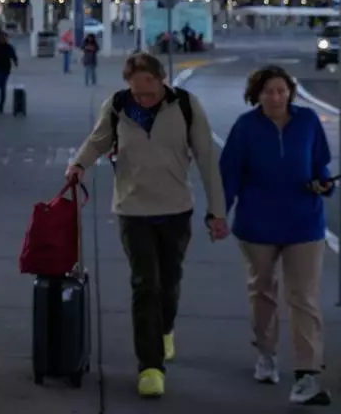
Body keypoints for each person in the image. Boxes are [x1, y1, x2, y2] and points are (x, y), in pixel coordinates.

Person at [65, 51, 228, 399]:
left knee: (169, 282)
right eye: (137, 93)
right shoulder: (119, 106)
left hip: (176, 210)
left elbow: (207, 160)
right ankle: (150, 367)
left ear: (161, 79)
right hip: (133, 210)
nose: (143, 99)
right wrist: (79, 164)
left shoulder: (186, 106)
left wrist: (217, 213)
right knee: (145, 285)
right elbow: (98, 140)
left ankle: (165, 329)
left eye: (149, 92)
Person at [219, 66, 335, 406]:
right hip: (258, 225)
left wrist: (324, 185)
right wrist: (218, 215)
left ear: (290, 93)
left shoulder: (308, 121)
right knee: (263, 292)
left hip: (305, 223)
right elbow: (229, 175)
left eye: (282, 91)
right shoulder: (245, 127)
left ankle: (306, 375)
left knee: (304, 298)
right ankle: (266, 354)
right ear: (257, 95)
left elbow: (321, 165)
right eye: (268, 91)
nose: (276, 97)